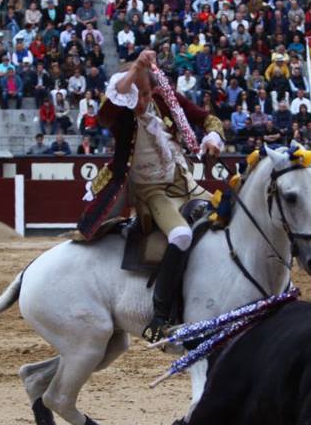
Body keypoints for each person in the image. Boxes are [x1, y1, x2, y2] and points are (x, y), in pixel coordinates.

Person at [76, 49, 224, 342]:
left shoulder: (163, 98)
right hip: (152, 192)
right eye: (137, 94)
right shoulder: (120, 114)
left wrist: (213, 139)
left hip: (184, 183)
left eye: (145, 92)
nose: (143, 100)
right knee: (181, 235)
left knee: (227, 218)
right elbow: (106, 111)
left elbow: (209, 119)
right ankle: (160, 316)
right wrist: (135, 70)